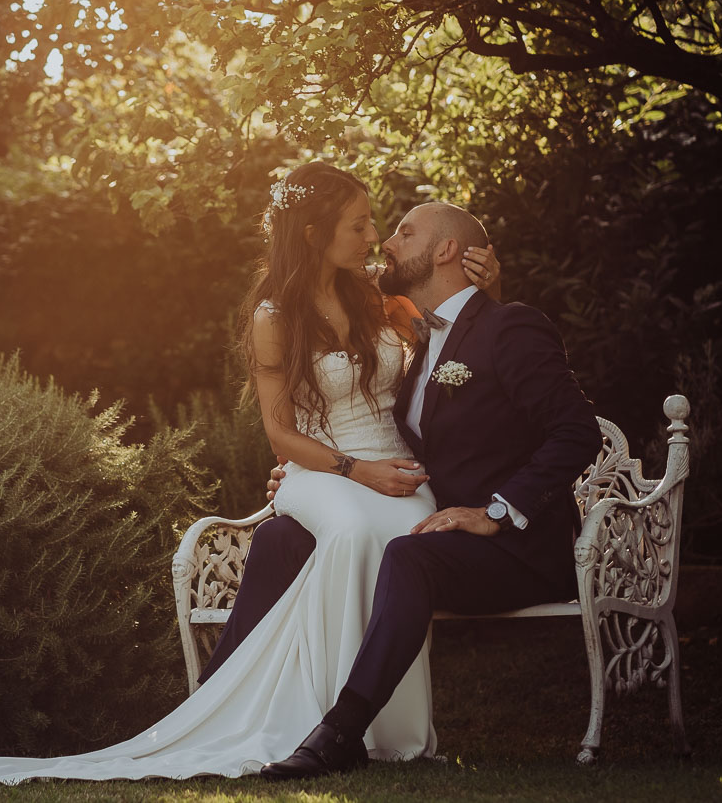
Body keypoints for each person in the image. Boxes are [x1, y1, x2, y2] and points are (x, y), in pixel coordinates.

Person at [0, 162, 499, 786]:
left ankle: (382, 730)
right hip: (322, 468)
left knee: (406, 535)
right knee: (349, 530)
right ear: (313, 233)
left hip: (395, 469)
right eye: (359, 225)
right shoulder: (273, 317)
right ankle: (331, 726)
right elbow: (281, 436)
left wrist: (487, 286)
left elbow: (461, 336)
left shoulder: (378, 295)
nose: (373, 237)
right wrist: (357, 470)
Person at [257, 200, 603, 780]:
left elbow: (576, 432)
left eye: (404, 232)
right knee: (293, 539)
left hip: (520, 551)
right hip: (444, 535)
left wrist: (496, 511)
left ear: (444, 250)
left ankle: (341, 732)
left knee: (407, 556)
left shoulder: (510, 326)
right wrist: (305, 475)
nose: (386, 242)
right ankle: (266, 707)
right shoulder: (421, 342)